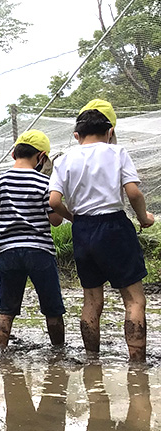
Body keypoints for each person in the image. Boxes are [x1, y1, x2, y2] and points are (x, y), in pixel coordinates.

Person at [49, 100, 154, 362]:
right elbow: (133, 192)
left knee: (92, 300)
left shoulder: (64, 160)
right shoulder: (117, 153)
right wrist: (144, 217)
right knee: (134, 300)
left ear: (76, 135)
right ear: (109, 132)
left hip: (83, 230)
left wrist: (73, 217)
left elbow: (52, 201)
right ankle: (137, 362)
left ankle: (92, 360)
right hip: (114, 227)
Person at [0, 130, 65, 349]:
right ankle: (59, 351)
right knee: (53, 309)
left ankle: (0, 352)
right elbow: (55, 221)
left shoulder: (0, 181)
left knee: (6, 309)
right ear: (41, 157)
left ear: (14, 153)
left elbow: (0, 207)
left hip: (8, 250)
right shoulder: (44, 182)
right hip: (39, 250)